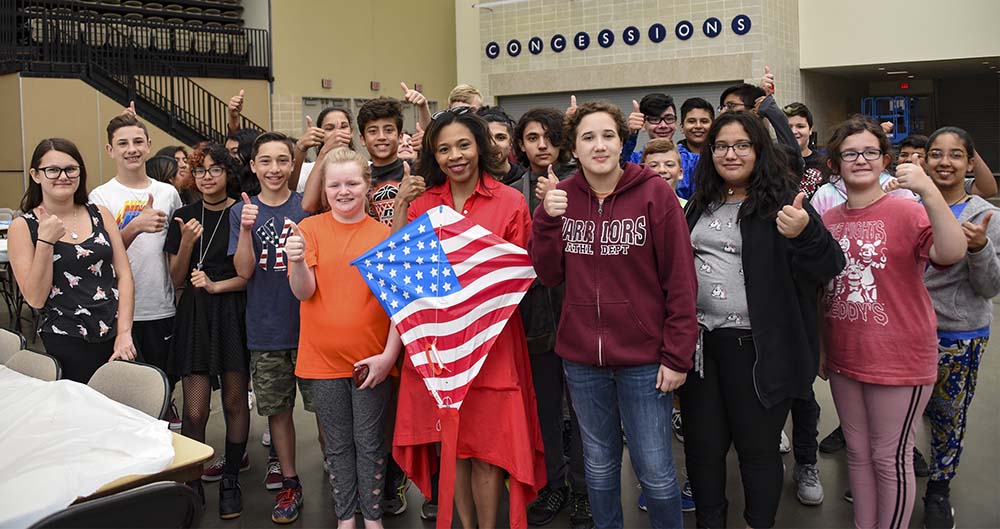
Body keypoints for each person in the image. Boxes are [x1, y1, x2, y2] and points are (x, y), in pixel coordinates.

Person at [529, 101, 697, 529]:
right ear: (574, 147)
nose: (599, 145)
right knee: (600, 468)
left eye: (608, 136)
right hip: (582, 360)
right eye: (588, 137)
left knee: (657, 473)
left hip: (645, 360)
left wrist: (678, 355)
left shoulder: (654, 193)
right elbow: (548, 274)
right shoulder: (562, 198)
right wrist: (546, 220)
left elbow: (680, 281)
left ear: (623, 143)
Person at [680, 111, 844, 528]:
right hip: (701, 349)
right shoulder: (702, 202)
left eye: (741, 145)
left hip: (756, 350)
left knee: (757, 451)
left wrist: (806, 232)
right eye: (721, 146)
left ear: (758, 150)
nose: (730, 154)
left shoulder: (783, 201)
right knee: (702, 448)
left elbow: (829, 265)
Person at [391, 107, 545, 529]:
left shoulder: (512, 201)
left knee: (490, 449)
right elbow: (401, 270)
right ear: (433, 156)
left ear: (480, 147)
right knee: (451, 447)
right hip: (437, 348)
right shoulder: (422, 203)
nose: (455, 156)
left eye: (463, 145)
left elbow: (522, 275)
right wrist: (402, 206)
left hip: (493, 345)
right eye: (443, 149)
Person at [818, 115, 966, 529]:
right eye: (850, 153)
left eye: (870, 152)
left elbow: (951, 252)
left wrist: (928, 191)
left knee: (890, 457)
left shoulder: (905, 210)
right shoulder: (829, 221)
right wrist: (824, 348)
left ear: (885, 160)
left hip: (899, 358)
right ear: (836, 164)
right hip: (847, 356)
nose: (860, 159)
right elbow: (824, 292)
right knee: (859, 455)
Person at [284, 146, 402, 529]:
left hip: (371, 360)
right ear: (325, 188)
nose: (344, 191)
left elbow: (400, 308)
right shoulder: (310, 229)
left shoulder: (385, 236)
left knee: (370, 444)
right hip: (322, 361)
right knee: (336, 446)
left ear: (368, 186)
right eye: (335, 185)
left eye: (352, 182)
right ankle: (344, 518)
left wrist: (388, 356)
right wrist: (297, 260)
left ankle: (372, 517)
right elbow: (303, 292)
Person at [164, 142, 250, 519]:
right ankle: (193, 480)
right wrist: (185, 242)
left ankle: (231, 477)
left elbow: (252, 276)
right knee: (195, 410)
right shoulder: (184, 215)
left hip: (232, 310)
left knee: (234, 401)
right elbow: (176, 277)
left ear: (228, 174)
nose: (207, 177)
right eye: (200, 171)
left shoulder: (243, 213)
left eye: (215, 170)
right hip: (196, 312)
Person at [230, 132, 312, 524]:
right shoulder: (241, 211)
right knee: (278, 412)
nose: (275, 169)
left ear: (292, 164)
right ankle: (290, 482)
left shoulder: (307, 208)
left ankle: (341, 478)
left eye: (283, 160)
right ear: (253, 166)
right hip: (266, 330)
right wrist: (246, 228)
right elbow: (244, 271)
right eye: (266, 161)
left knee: (326, 413)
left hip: (313, 330)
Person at [920, 126, 1000, 529]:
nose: (944, 162)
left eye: (954, 155)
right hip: (907, 334)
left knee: (949, 416)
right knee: (906, 412)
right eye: (936, 154)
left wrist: (980, 250)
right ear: (924, 160)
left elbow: (989, 287)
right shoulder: (906, 208)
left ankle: (939, 488)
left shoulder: (985, 216)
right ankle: (898, 473)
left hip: (958, 335)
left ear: (970, 163)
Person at [8, 139, 137, 382]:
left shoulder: (100, 213)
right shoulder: (24, 227)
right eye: (52, 170)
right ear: (36, 175)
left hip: (117, 334)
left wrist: (125, 333)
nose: (63, 176)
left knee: (124, 412)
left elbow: (125, 275)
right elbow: (35, 299)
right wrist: (45, 242)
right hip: (66, 338)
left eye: (71, 169)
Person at [90, 115, 184, 425]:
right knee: (127, 398)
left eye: (137, 142)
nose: (131, 149)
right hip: (118, 312)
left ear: (149, 146)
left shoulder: (168, 193)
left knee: (162, 389)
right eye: (123, 143)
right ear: (110, 150)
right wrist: (135, 227)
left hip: (160, 306)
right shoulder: (100, 197)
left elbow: (176, 251)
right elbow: (102, 256)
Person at [299, 107, 357, 212]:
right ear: (320, 134)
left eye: (343, 127)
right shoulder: (310, 170)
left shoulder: (364, 166)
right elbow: (307, 206)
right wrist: (323, 151)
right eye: (330, 129)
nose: (337, 133)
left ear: (351, 131)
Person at [514, 107, 575, 180]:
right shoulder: (514, 189)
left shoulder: (583, 181)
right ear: (522, 145)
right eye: (533, 138)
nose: (542, 145)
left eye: (549, 137)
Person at [672, 97, 714, 200]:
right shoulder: (673, 159)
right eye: (691, 121)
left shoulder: (722, 155)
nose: (698, 126)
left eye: (704, 121)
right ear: (682, 127)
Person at [620, 93, 677, 165]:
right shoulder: (634, 160)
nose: (663, 125)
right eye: (655, 119)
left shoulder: (690, 160)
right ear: (643, 124)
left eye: (669, 119)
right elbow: (617, 166)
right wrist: (630, 136)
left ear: (676, 122)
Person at [782, 102, 825, 199]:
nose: (794, 131)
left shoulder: (823, 163)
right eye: (789, 127)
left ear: (810, 130)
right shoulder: (774, 161)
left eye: (800, 126)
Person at [478, 106, 528, 185]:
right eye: (486, 138)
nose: (493, 144)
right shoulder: (469, 182)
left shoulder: (525, 180)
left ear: (511, 142)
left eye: (500, 138)